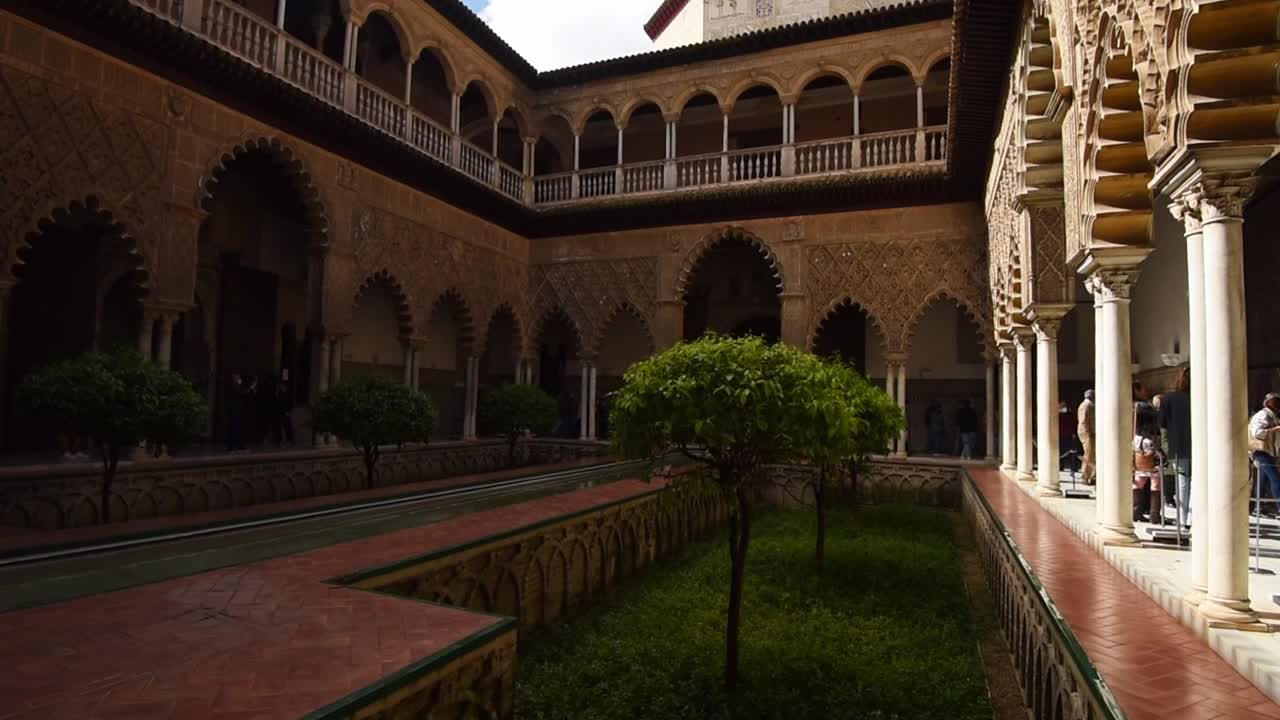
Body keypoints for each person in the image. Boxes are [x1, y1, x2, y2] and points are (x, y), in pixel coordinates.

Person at [1159, 368, 1191, 528]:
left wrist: (1166, 447)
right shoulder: (1201, 396)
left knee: (1182, 481)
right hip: (1199, 445)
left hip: (1177, 445)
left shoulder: (1168, 399)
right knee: (1197, 482)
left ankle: (1183, 519)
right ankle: (1192, 518)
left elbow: (1162, 425)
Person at [1249, 393, 1280, 517]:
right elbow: (1257, 432)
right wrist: (1274, 430)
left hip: (1268, 453)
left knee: (1262, 482)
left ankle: (1258, 507)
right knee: (1276, 480)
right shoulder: (1263, 415)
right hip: (1261, 453)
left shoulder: (1272, 415)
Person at [1078, 390, 1096, 484]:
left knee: (1092, 455)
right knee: (1088, 454)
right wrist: (1087, 433)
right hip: (1087, 433)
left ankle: (1091, 475)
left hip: (1091, 433)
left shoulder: (1090, 405)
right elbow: (1083, 421)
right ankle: (1084, 476)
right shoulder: (1086, 405)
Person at [1058, 400, 1079, 473]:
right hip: (1060, 435)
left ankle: (1073, 467)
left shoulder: (1070, 415)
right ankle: (1060, 466)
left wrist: (1074, 433)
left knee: (1072, 453)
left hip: (1069, 435)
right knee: (1060, 452)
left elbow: (1074, 424)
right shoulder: (1058, 415)